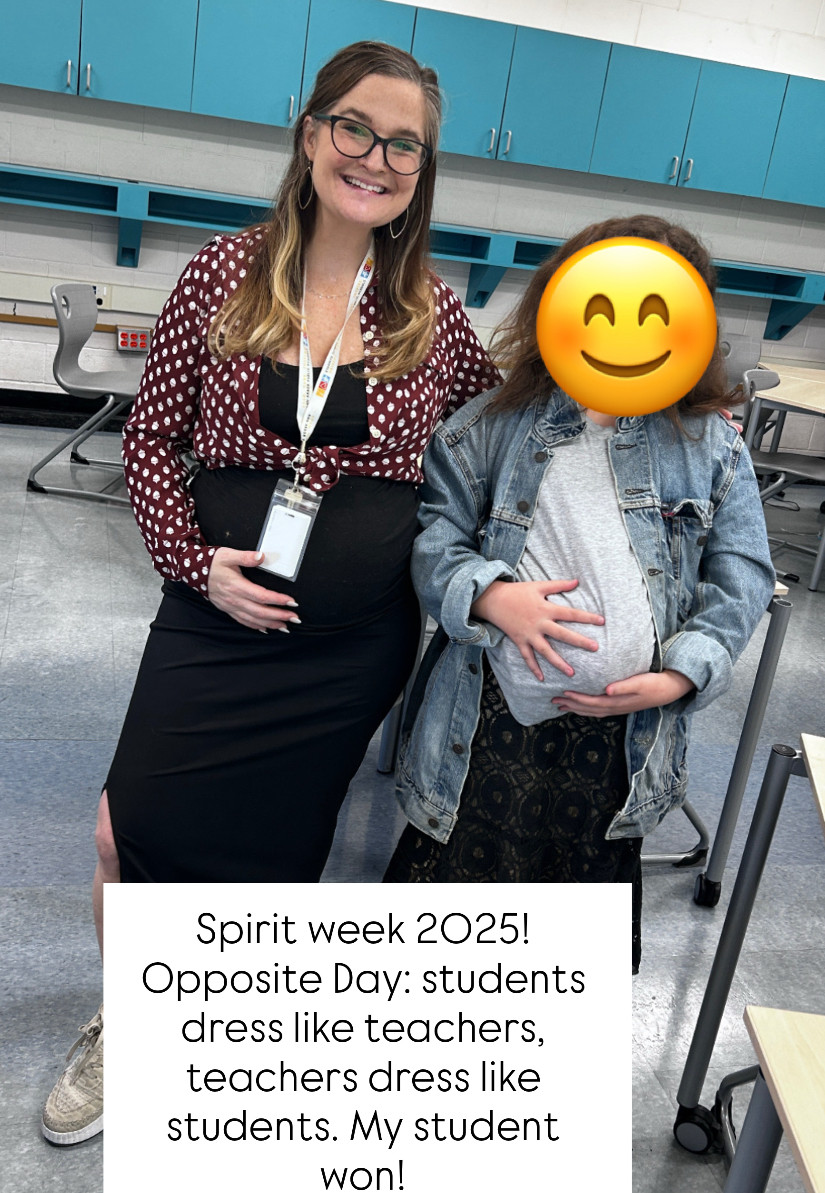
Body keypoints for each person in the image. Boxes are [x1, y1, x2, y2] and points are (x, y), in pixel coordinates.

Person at [41, 41, 499, 1146]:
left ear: (422, 170)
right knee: (126, 829)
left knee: (275, 858)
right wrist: (194, 561)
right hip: (210, 617)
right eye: (356, 128)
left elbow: (509, 428)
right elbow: (150, 439)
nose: (375, 158)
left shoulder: (433, 315)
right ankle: (130, 1018)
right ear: (310, 134)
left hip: (348, 650)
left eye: (403, 145)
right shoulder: (221, 273)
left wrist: (666, 405)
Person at [383, 215, 776, 974]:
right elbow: (435, 538)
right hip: (487, 727)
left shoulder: (710, 445)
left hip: (617, 749)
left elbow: (743, 574)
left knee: (568, 958)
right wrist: (490, 598)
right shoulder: (491, 425)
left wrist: (682, 673)